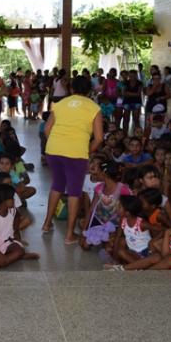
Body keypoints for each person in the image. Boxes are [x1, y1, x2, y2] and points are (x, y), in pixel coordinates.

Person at [41, 75, 103, 244]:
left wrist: (55, 144)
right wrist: (87, 151)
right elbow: (98, 138)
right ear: (89, 90)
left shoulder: (60, 104)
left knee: (57, 185)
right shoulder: (94, 107)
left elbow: (47, 129)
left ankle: (46, 224)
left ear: (71, 89)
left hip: (53, 150)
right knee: (74, 192)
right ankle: (69, 235)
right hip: (76, 153)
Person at [0, 183, 39, 271]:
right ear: (3, 201)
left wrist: (16, 230)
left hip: (7, 242)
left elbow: (17, 217)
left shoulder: (13, 210)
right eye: (12, 198)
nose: (14, 200)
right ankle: (15, 257)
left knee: (19, 251)